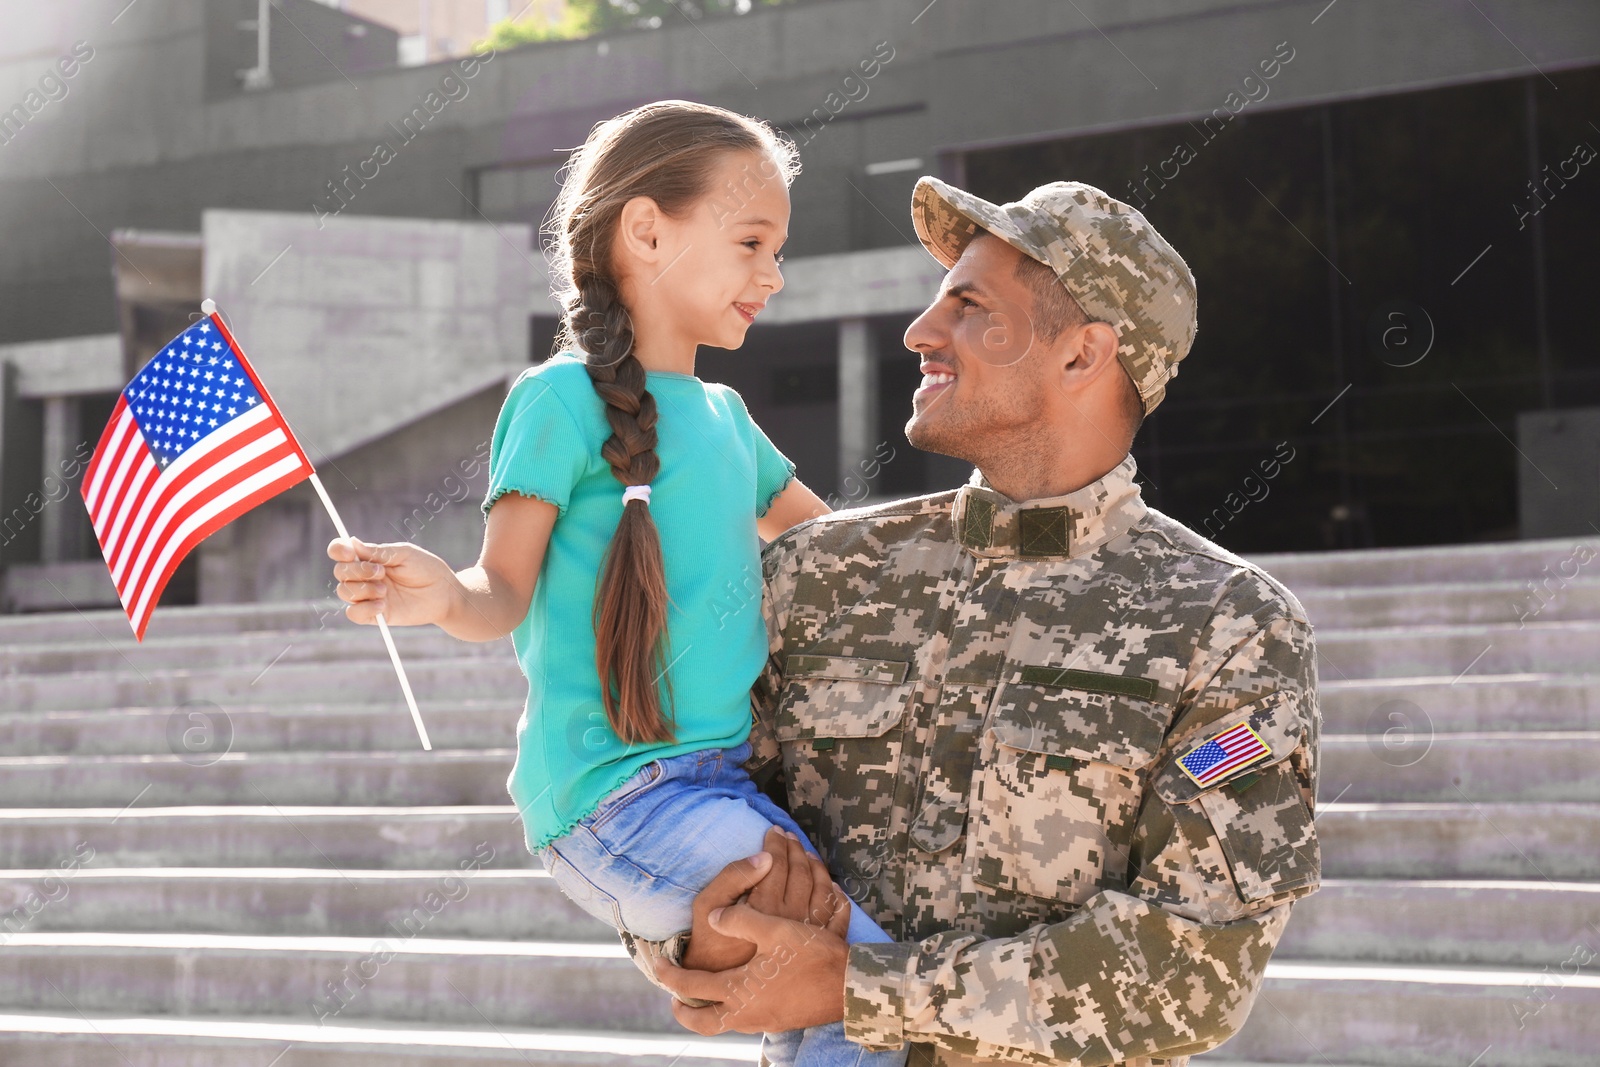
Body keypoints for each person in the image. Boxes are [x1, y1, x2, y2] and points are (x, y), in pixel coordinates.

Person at [637, 177, 1323, 1067]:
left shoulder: (1227, 624)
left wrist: (859, 987)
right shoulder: (815, 574)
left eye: (968, 307)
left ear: (1083, 355)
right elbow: (674, 799)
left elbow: (1192, 964)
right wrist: (694, 937)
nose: (921, 332)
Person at [326, 99, 908, 1067]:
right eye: (752, 241)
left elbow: (841, 543)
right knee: (866, 983)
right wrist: (436, 595)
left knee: (815, 990)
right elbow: (497, 592)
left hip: (725, 783)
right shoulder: (554, 400)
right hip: (617, 801)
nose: (773, 274)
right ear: (646, 230)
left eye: (778, 247)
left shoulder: (724, 415)